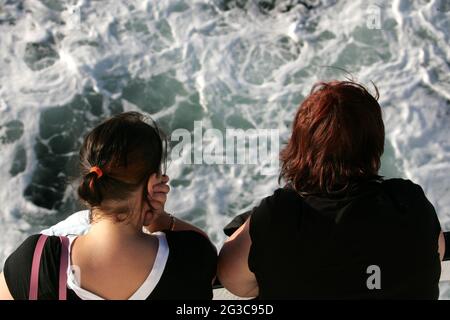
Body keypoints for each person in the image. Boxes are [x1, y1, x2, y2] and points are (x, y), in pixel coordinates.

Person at [218, 81, 446, 299]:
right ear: (374, 146)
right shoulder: (409, 204)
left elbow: (233, 281)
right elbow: (437, 251)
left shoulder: (281, 215)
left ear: (301, 147)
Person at [0, 112, 217, 300]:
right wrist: (160, 219)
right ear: (153, 184)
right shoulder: (192, 258)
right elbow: (210, 265)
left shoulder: (36, 261)